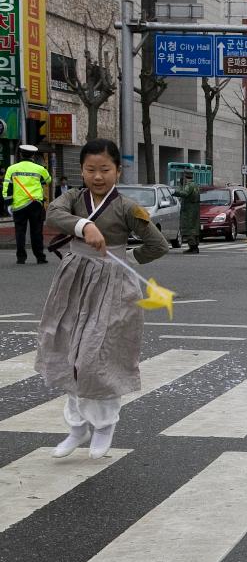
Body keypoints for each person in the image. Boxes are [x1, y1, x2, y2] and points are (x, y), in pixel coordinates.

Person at [39, 139, 169, 459]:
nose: (98, 176)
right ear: (81, 171)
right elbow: (53, 214)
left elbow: (158, 244)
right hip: (74, 281)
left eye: (105, 170)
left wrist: (129, 260)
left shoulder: (127, 207)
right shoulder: (72, 198)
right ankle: (77, 428)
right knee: (71, 357)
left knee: (97, 359)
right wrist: (84, 226)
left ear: (118, 171)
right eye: (90, 169)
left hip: (113, 285)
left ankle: (105, 425)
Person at [4, 144, 52, 264]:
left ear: (20, 154)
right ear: (33, 155)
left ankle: (21, 258)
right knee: (36, 231)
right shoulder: (39, 168)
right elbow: (48, 180)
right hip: (35, 203)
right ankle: (40, 257)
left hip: (18, 205)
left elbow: (7, 187)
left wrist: (8, 203)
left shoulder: (12, 168)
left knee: (20, 231)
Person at [173, 171, 202, 255]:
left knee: (189, 228)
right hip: (195, 209)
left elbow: (185, 193)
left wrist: (175, 192)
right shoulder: (195, 185)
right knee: (194, 228)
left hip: (189, 210)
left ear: (185, 177)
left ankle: (193, 247)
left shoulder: (189, 185)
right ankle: (195, 246)